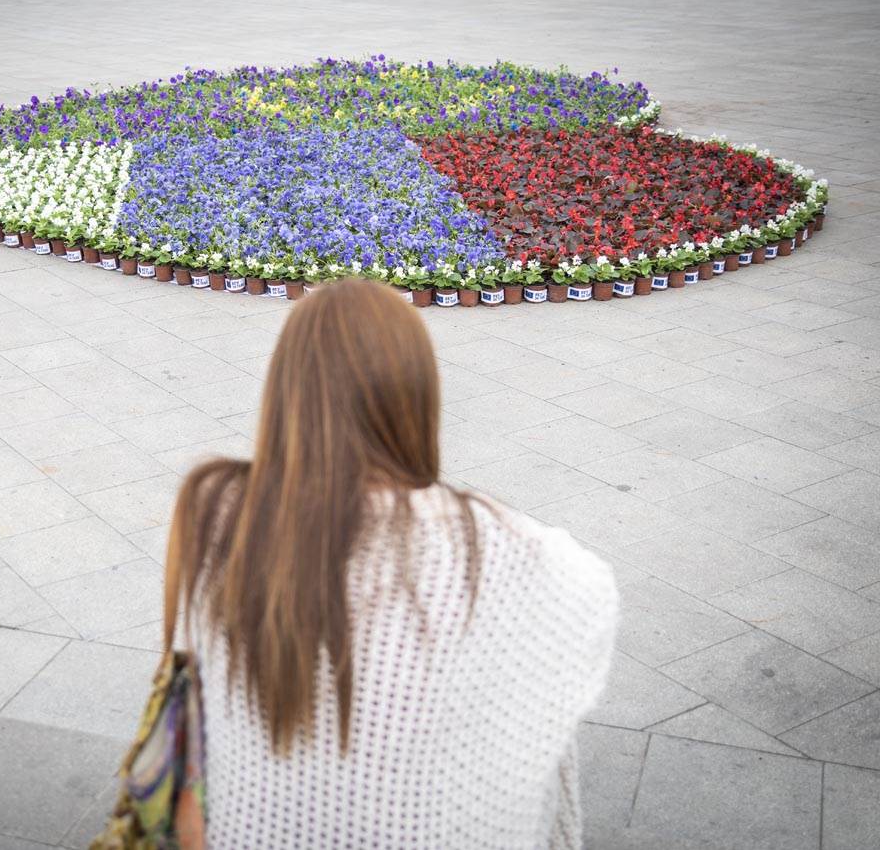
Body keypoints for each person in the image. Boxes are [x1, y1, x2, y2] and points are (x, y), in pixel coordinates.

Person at [163, 278, 619, 849]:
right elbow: (591, 593)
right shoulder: (518, 557)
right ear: (418, 397)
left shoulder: (221, 517)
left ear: (286, 396)